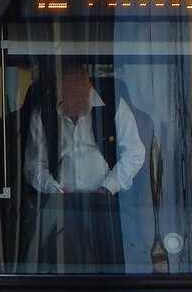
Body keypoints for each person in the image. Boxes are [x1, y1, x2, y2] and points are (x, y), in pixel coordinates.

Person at [25, 60, 145, 267]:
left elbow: (135, 153)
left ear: (88, 84)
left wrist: (108, 187)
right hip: (61, 205)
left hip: (106, 202)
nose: (75, 93)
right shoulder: (42, 115)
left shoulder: (113, 105)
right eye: (68, 86)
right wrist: (55, 189)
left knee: (110, 261)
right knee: (50, 259)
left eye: (78, 86)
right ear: (60, 89)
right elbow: (34, 165)